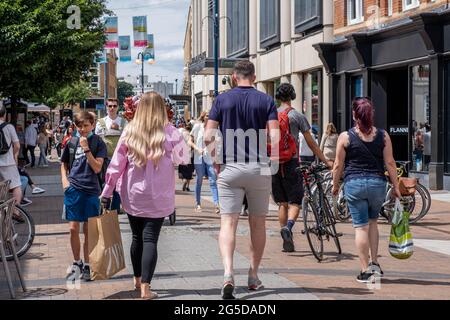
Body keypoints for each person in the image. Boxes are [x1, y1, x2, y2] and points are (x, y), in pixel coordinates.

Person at [100, 92, 190, 300]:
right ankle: (146, 290)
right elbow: (184, 159)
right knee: (150, 239)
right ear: (161, 108)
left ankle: (137, 281)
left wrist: (107, 191)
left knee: (136, 237)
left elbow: (116, 165)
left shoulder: (130, 131)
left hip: (133, 194)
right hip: (159, 195)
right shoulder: (170, 132)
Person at [204, 60, 280, 299]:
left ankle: (228, 273)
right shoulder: (266, 100)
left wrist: (216, 158)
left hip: (230, 167)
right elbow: (275, 136)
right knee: (258, 224)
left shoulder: (222, 100)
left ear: (234, 77)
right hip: (258, 168)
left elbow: (208, 136)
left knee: (228, 223)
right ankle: (253, 276)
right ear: (254, 77)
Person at [332, 98, 401, 283]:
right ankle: (375, 262)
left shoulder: (345, 137)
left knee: (360, 227)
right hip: (378, 184)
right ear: (371, 115)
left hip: (354, 184)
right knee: (373, 223)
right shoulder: (383, 136)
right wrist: (396, 186)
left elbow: (338, 164)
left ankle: (365, 271)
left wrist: (335, 184)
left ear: (354, 115)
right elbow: (390, 163)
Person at [271, 83, 332, 253]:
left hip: (274, 163)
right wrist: (325, 160)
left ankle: (285, 236)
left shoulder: (271, 115)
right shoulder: (297, 116)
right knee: (295, 202)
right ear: (292, 96)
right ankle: (288, 228)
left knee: (282, 203)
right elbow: (311, 143)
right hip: (291, 162)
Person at [61, 112, 107, 282]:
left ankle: (88, 264)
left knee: (89, 230)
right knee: (73, 228)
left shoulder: (98, 143)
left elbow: (97, 168)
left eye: (86, 125)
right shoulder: (71, 142)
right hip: (73, 189)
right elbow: (64, 164)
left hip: (91, 190)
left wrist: (86, 148)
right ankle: (76, 262)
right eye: (79, 126)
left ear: (93, 125)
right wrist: (65, 183)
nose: (83, 129)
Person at [95, 98, 128, 213]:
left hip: (121, 159)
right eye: (110, 106)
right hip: (105, 158)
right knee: (106, 182)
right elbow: (97, 140)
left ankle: (115, 208)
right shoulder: (101, 122)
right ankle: (105, 206)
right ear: (106, 107)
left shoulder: (124, 122)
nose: (112, 108)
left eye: (114, 106)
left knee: (119, 183)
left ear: (118, 107)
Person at [190, 111, 220, 213]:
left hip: (210, 157)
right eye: (207, 115)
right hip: (199, 157)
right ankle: (198, 204)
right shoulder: (197, 127)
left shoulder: (214, 129)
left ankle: (217, 204)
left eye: (210, 115)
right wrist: (197, 149)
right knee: (199, 180)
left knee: (213, 180)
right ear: (203, 116)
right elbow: (190, 141)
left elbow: (218, 143)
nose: (209, 117)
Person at [0, 104, 22, 206]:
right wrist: (14, 155)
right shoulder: (8, 127)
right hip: (8, 162)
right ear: (4, 114)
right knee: (16, 185)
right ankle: (16, 212)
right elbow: (17, 145)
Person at [178, 122, 194, 192]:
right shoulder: (191, 135)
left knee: (183, 171)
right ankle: (187, 185)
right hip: (189, 155)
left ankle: (184, 180)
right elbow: (193, 145)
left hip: (182, 156)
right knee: (189, 172)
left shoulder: (181, 133)